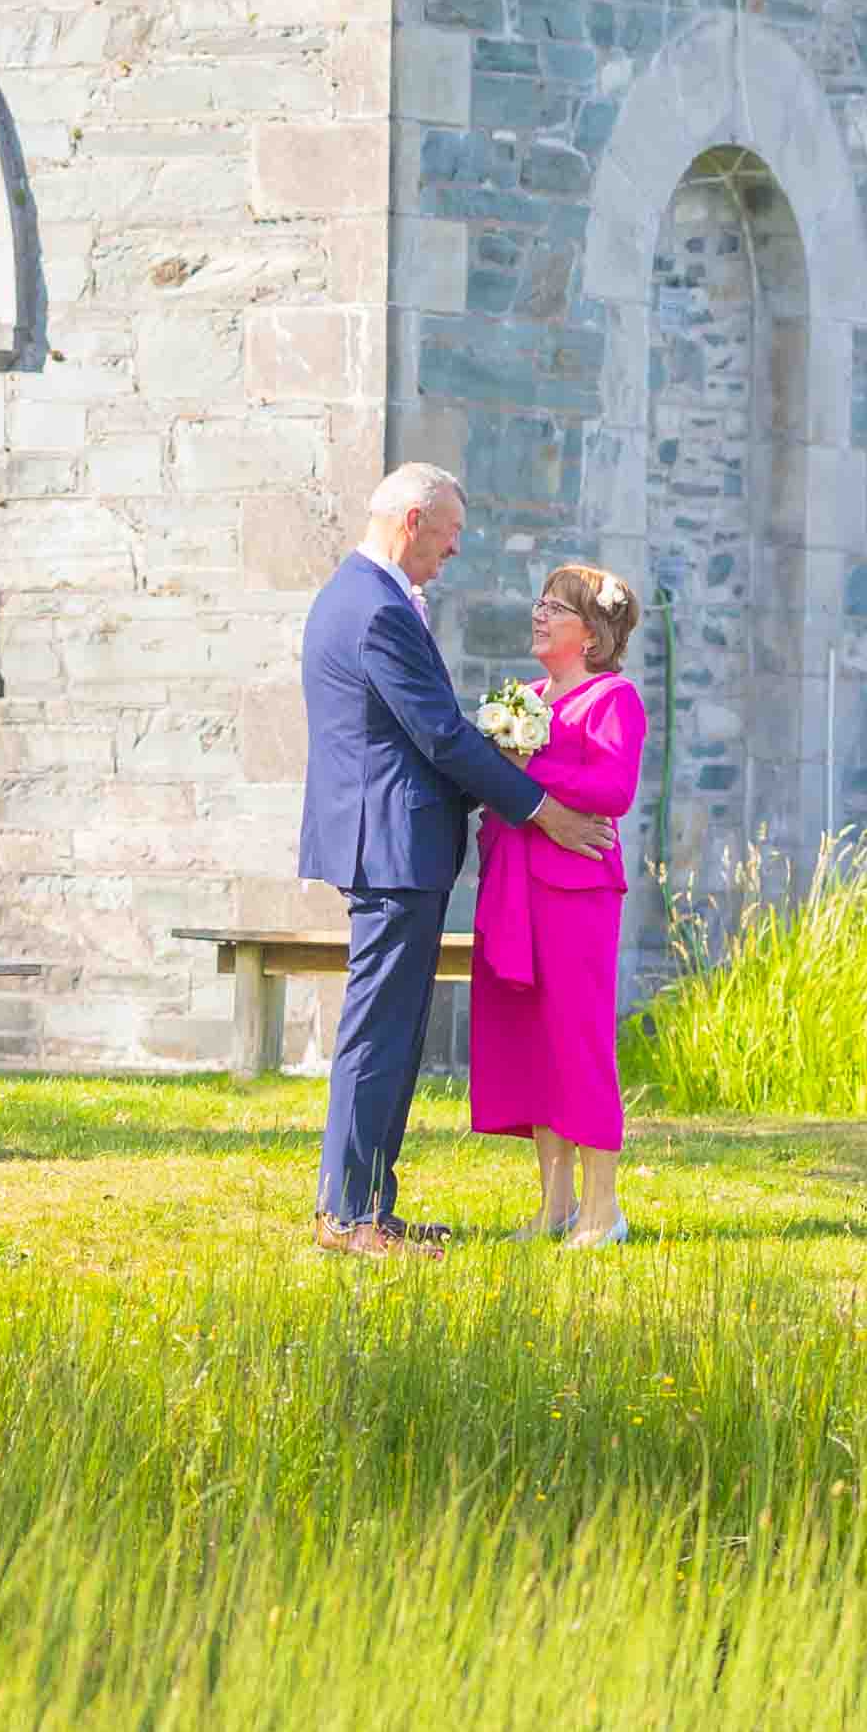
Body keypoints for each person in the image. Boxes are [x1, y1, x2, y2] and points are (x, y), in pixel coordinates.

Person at [296, 466, 618, 1257]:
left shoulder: (362, 596)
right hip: (390, 845)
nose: (453, 552)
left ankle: (367, 1203)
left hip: (392, 844)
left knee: (393, 1031)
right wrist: (541, 810)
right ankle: (351, 1216)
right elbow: (437, 734)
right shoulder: (374, 608)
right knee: (379, 1033)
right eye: (447, 536)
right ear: (412, 520)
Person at [466, 563, 650, 1247]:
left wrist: (521, 769)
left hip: (574, 894)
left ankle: (603, 1210)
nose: (538, 615)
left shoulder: (612, 699)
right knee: (531, 1041)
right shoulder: (528, 696)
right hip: (512, 887)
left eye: (554, 608)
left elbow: (612, 790)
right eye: (538, 604)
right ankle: (553, 1205)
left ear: (591, 633)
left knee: (577, 1041)